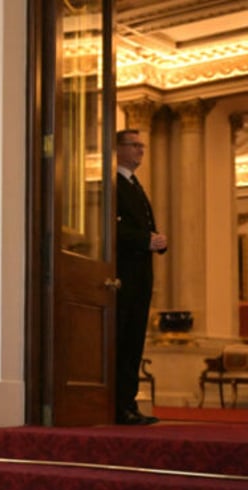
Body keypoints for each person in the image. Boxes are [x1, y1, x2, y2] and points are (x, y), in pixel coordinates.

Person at [115, 128, 167, 425]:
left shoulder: (134, 184)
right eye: (134, 145)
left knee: (134, 340)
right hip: (123, 275)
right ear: (118, 149)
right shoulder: (114, 185)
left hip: (140, 275)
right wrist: (144, 240)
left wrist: (157, 240)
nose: (140, 151)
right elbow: (111, 229)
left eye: (141, 146)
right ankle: (120, 406)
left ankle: (129, 403)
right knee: (122, 340)